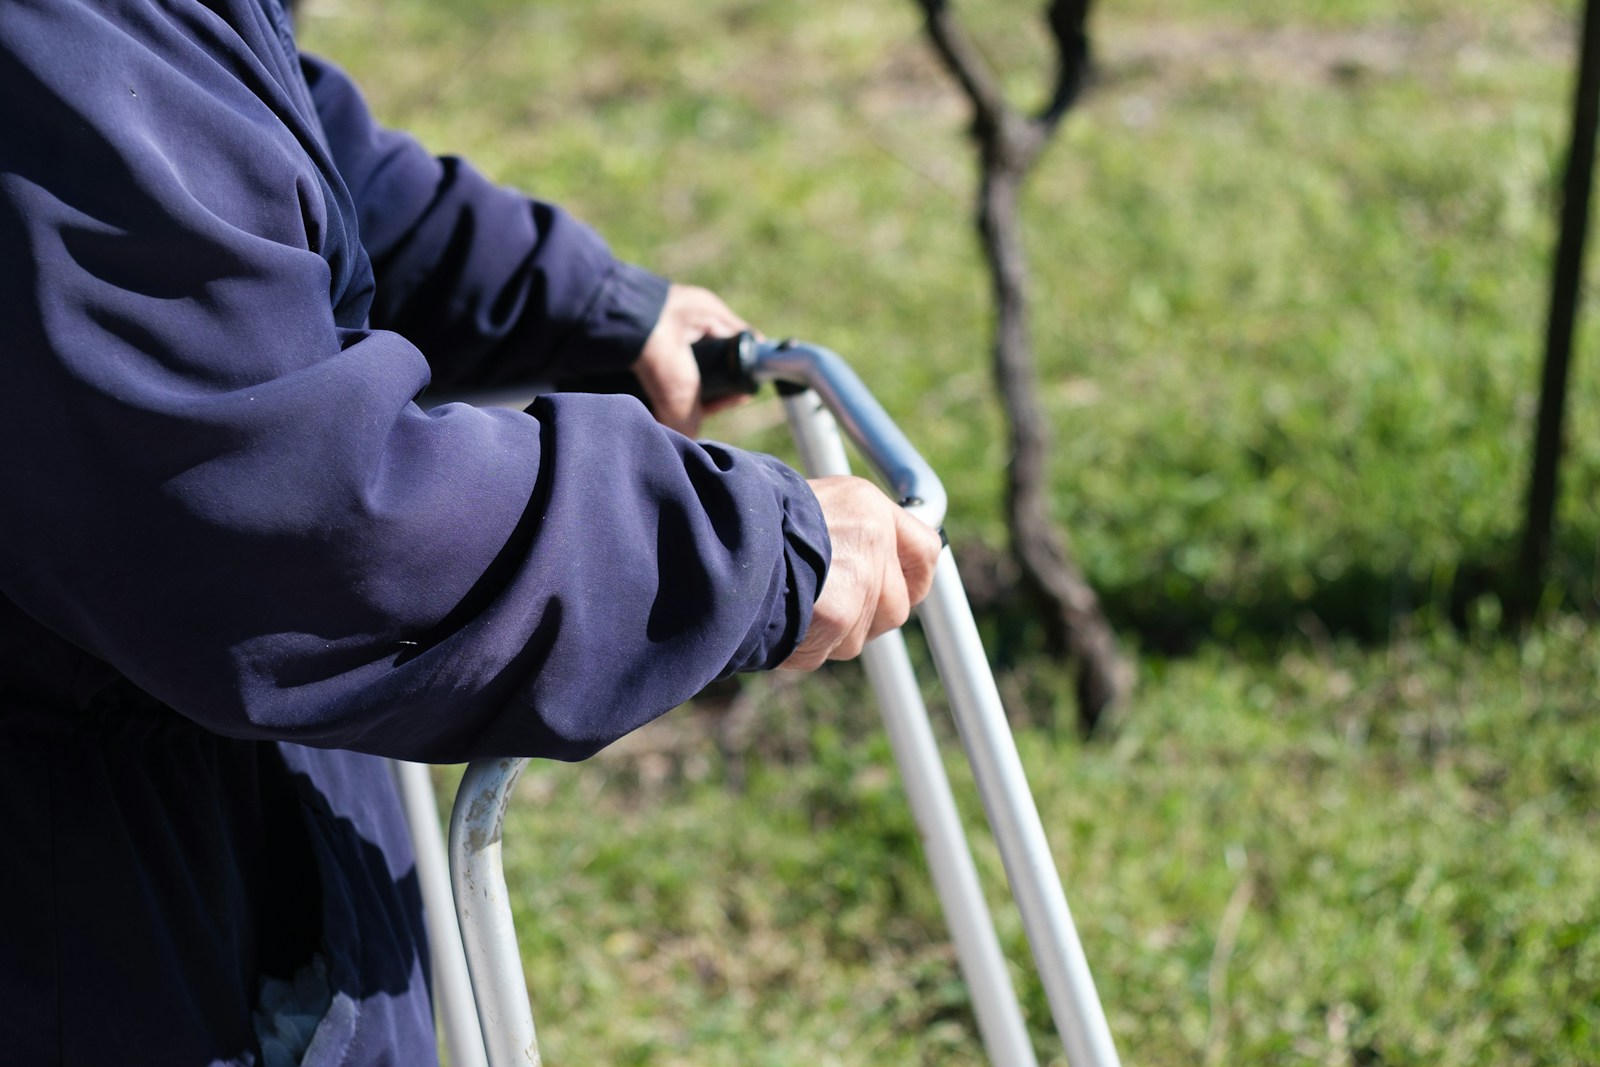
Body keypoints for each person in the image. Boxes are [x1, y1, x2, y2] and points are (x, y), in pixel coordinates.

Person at [0, 1, 943, 1064]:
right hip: (84, 917)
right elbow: (282, 515)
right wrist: (735, 545)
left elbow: (231, 132)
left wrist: (578, 299)